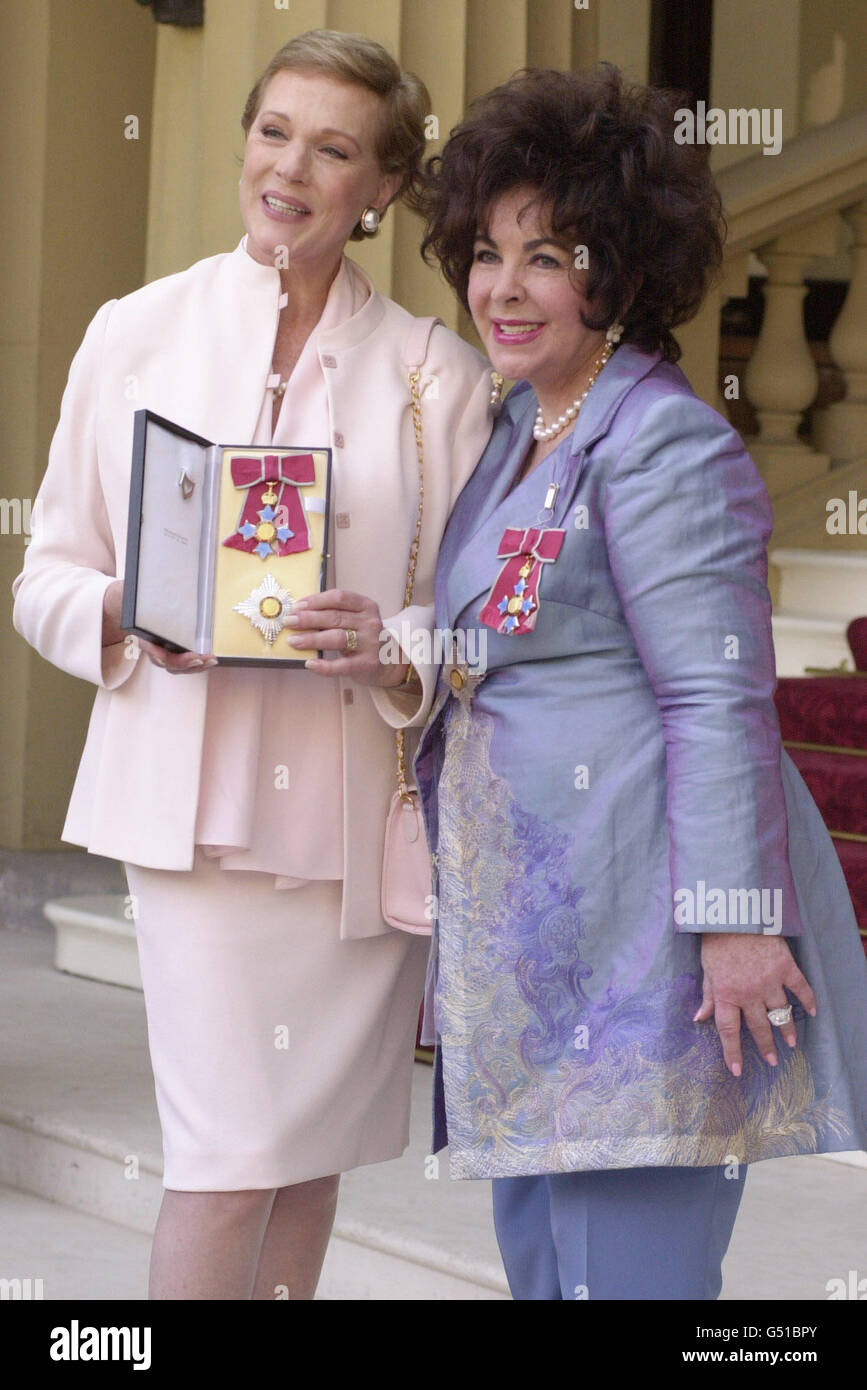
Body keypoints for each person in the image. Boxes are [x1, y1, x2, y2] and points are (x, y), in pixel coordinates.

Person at [11, 30, 493, 1300]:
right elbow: (44, 575)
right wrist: (128, 609)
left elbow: (473, 621)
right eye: (275, 130)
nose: (290, 167)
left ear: (381, 190)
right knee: (226, 1163)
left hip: (348, 837)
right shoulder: (135, 332)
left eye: (334, 148)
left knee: (306, 1161)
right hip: (190, 825)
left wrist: (390, 645)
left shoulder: (437, 376)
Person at [413, 64, 867, 1301]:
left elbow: (717, 693)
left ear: (617, 269)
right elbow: (523, 636)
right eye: (490, 252)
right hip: (537, 942)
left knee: (630, 1282)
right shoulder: (523, 428)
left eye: (549, 254)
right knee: (547, 1269)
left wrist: (733, 919)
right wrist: (393, 639)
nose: (506, 288)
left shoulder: (664, 436)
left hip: (644, 945)